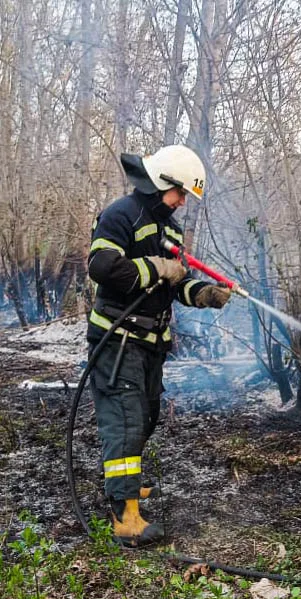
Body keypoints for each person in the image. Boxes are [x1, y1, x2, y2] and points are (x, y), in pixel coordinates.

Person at [87, 145, 232, 546]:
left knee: (146, 417)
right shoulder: (121, 215)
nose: (182, 202)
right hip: (117, 340)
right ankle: (125, 515)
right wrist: (157, 266)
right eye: (180, 193)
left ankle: (127, 483)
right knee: (126, 420)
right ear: (159, 182)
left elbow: (174, 282)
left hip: (151, 344)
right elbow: (102, 266)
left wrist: (203, 293)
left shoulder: (170, 230)